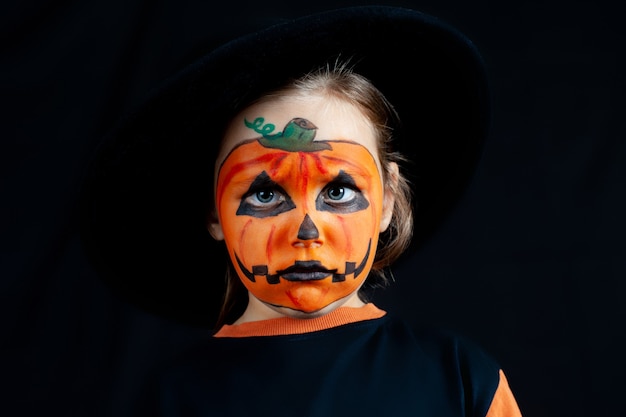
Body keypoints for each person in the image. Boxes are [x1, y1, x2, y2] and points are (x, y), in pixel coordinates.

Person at [80, 5, 523, 416]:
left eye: (338, 190)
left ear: (387, 200)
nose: (306, 229)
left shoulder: (463, 380)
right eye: (266, 194)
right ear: (214, 211)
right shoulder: (171, 398)